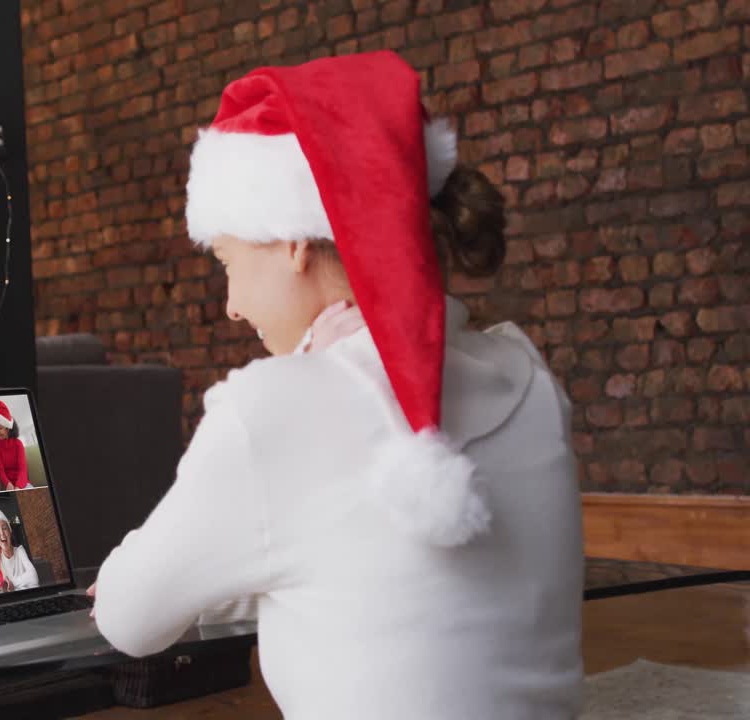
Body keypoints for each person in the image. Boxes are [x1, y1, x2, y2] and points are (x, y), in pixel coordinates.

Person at [90, 51, 583, 719]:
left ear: (292, 241)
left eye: (229, 261)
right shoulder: (531, 376)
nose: (231, 304)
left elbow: (129, 619)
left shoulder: (269, 408)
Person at [0, 507, 39, 591]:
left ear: (10, 531)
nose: (2, 533)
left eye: (4, 528)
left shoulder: (19, 551)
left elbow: (33, 577)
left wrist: (12, 583)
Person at [0, 400, 30, 489]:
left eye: (0, 428)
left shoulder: (18, 444)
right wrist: (8, 483)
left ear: (8, 429)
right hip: (8, 485)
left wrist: (18, 487)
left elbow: (23, 470)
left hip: (22, 483)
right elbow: (1, 470)